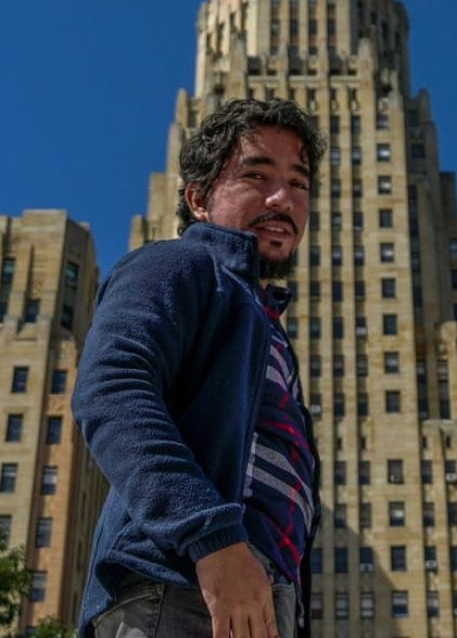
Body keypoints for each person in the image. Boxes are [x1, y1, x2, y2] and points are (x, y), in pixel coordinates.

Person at [71, 98, 326, 638]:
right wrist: (213, 540)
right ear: (199, 198)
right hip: (181, 590)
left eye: (298, 184)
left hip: (259, 599)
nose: (282, 199)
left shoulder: (263, 324)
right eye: (256, 176)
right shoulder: (179, 264)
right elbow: (111, 390)